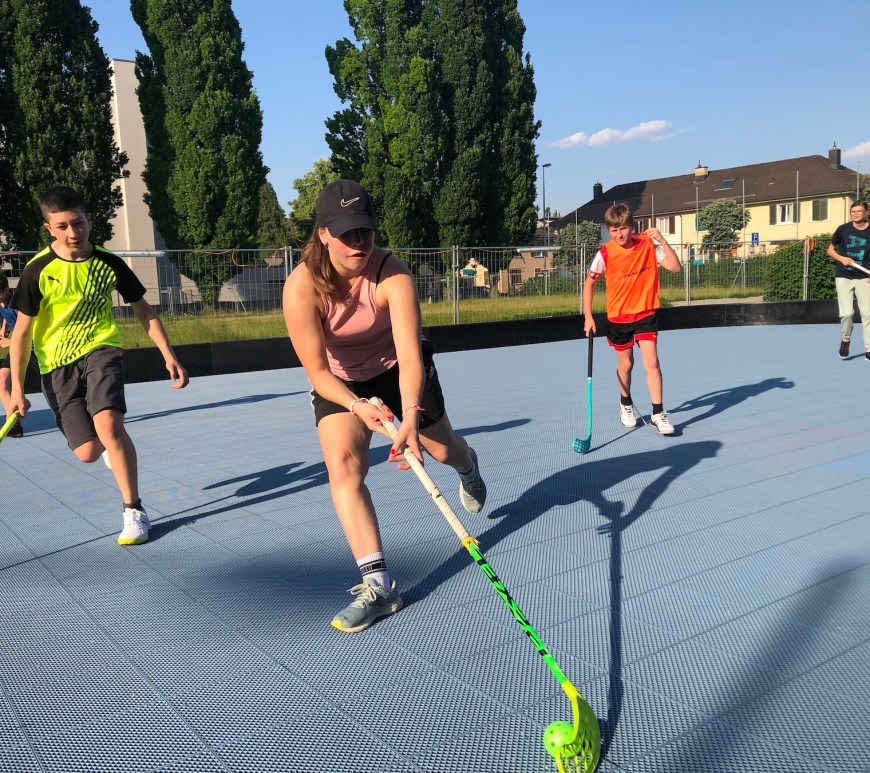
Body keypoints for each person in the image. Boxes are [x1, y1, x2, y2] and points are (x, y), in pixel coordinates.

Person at [282, 178, 486, 634]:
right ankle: (379, 584)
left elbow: (411, 355)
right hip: (341, 383)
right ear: (322, 234)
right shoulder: (301, 288)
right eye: (345, 233)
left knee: (441, 451)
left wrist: (409, 416)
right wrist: (357, 406)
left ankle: (468, 464)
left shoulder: (392, 275)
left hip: (399, 369)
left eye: (365, 232)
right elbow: (317, 372)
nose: (358, 242)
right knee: (344, 469)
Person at [7, 186, 189, 545]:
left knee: (109, 425)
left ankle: (134, 510)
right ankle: (110, 450)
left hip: (101, 348)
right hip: (55, 364)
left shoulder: (109, 263)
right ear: (48, 229)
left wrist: (169, 355)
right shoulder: (37, 270)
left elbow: (145, 311)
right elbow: (22, 334)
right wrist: (16, 389)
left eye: (78, 223)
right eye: (61, 227)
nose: (72, 233)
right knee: (89, 452)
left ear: (89, 219)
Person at [582, 203, 682, 435]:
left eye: (624, 228)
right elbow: (589, 283)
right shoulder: (605, 253)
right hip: (619, 317)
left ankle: (658, 413)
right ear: (609, 230)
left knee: (652, 362)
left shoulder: (648, 244)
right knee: (626, 364)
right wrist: (588, 316)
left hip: (645, 314)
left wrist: (662, 240)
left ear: (632, 226)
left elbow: (675, 267)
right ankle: (626, 404)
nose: (620, 234)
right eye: (614, 230)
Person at [827, 200, 870, 361]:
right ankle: (846, 339)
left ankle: (869, 349)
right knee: (846, 313)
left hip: (863, 277)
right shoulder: (843, 229)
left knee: (868, 314)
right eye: (853, 211)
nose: (856, 214)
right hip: (843, 275)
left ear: (866, 212)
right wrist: (841, 258)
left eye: (859, 211)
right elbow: (830, 250)